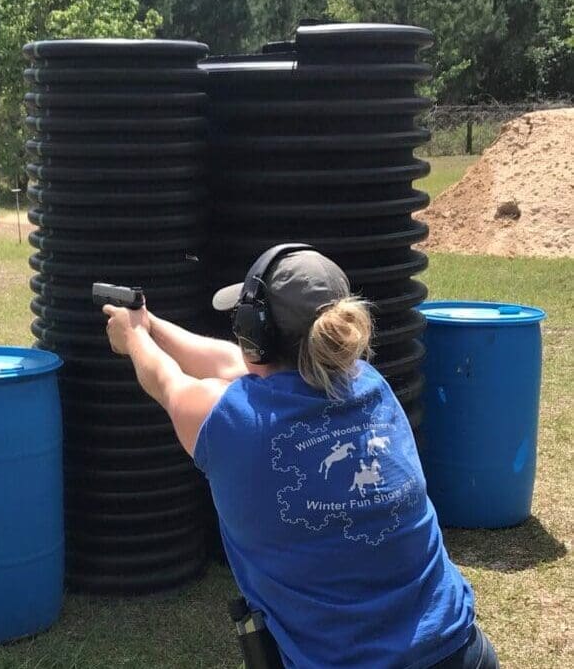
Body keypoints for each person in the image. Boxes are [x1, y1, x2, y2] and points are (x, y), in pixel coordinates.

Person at [101, 244, 499, 669]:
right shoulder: (369, 383)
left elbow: (165, 379)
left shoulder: (228, 419)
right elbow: (230, 362)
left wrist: (135, 339)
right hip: (463, 651)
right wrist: (152, 325)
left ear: (257, 331)